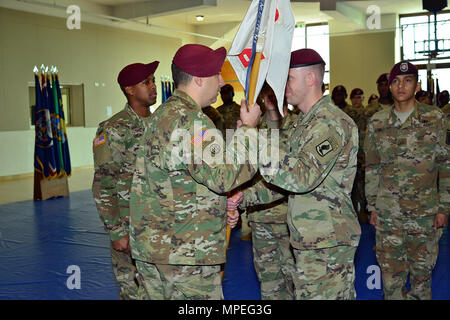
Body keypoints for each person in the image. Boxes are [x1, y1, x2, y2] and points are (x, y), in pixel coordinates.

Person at [129, 44, 262, 300]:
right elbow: (223, 176)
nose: (222, 81)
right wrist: (248, 130)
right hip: (185, 254)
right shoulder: (191, 121)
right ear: (200, 79)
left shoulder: (162, 115)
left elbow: (179, 180)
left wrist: (219, 206)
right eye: (217, 74)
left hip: (153, 247)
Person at [229, 48, 361, 300]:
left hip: (327, 241)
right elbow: (284, 180)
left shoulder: (330, 122)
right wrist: (242, 198)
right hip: (309, 237)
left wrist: (251, 134)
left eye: (287, 78)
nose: (281, 85)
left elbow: (301, 177)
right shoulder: (306, 122)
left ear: (311, 78)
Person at [365, 60, 449, 300]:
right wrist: (372, 206)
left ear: (417, 85)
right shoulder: (377, 123)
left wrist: (444, 207)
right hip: (388, 216)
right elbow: (371, 168)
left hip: (424, 216)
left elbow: (445, 165)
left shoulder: (435, 118)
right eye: (396, 81)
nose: (401, 85)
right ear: (389, 87)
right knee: (391, 280)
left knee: (422, 280)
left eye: (407, 80)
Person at [92, 61, 159, 300]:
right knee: (132, 290)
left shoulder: (161, 125)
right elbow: (103, 184)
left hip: (160, 224)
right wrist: (116, 231)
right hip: (130, 225)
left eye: (153, 80)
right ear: (129, 90)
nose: (154, 86)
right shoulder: (114, 129)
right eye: (146, 82)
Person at [231, 82, 296, 300]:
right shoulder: (253, 128)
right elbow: (239, 167)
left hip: (290, 219)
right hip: (261, 217)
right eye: (265, 91)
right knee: (268, 283)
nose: (270, 95)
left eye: (274, 89)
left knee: (296, 282)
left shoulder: (298, 126)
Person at [346, 88, 368, 222]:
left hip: (363, 157)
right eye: (354, 98)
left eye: (359, 98)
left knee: (363, 188)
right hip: (350, 157)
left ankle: (363, 213)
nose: (357, 100)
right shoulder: (346, 114)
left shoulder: (367, 114)